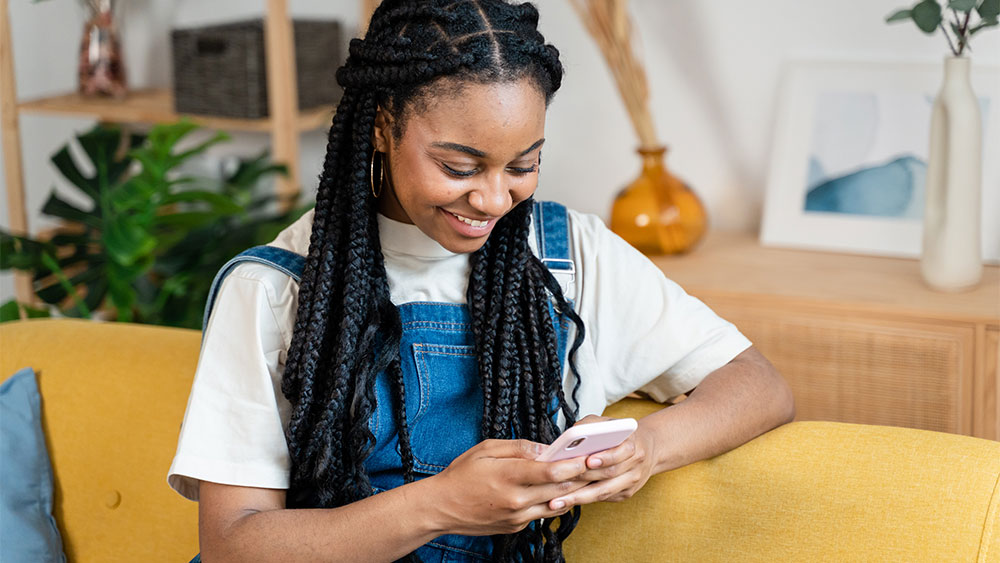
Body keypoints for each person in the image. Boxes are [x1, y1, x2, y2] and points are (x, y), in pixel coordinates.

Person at [167, 1, 795, 562]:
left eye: (524, 165)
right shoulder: (274, 287)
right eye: (459, 165)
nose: (495, 199)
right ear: (384, 125)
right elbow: (233, 543)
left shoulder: (569, 254)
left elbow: (757, 386)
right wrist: (441, 505)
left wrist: (650, 447)